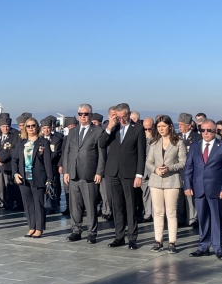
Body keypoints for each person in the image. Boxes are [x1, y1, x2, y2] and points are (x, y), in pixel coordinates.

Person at [184, 120, 222, 260]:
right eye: (202, 130)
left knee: (217, 219)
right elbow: (188, 167)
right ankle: (203, 246)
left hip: (216, 189)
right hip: (198, 188)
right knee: (203, 219)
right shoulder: (194, 146)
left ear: (215, 131)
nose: (205, 133)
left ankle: (219, 248)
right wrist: (187, 185)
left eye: (209, 130)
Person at [99, 102, 147, 249]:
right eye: (118, 117)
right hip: (113, 172)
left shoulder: (137, 129)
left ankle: (132, 238)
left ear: (129, 114)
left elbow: (141, 154)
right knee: (117, 206)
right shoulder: (113, 128)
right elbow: (101, 144)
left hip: (129, 173)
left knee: (131, 206)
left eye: (124, 116)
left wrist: (139, 175)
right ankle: (119, 236)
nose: (122, 119)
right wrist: (109, 128)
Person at [62, 104, 105, 244]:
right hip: (73, 173)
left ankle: (92, 232)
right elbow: (67, 152)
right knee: (75, 204)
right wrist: (66, 171)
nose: (83, 116)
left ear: (90, 115)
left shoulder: (98, 131)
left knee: (90, 205)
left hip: (89, 174)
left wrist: (99, 172)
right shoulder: (73, 132)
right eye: (80, 114)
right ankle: (76, 230)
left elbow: (102, 154)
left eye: (85, 114)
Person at [146, 115, 187, 253]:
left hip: (172, 180)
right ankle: (158, 241)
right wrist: (155, 169)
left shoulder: (178, 142)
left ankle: (172, 242)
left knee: (171, 212)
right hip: (156, 180)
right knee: (157, 212)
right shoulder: (154, 143)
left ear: (170, 126)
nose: (161, 129)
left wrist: (170, 168)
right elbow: (148, 162)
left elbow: (183, 162)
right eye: (158, 126)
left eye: (163, 126)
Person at [13, 117, 53, 237]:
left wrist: (50, 179)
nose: (31, 128)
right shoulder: (22, 143)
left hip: (38, 177)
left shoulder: (43, 142)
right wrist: (15, 173)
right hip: (23, 177)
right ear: (25, 128)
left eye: (33, 125)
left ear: (37, 127)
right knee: (28, 204)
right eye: (28, 126)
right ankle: (32, 226)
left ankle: (39, 228)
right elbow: (14, 159)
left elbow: (47, 162)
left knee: (38, 203)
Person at [177, 113, 201, 228]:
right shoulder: (176, 137)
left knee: (190, 195)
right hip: (178, 170)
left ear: (189, 125)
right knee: (179, 196)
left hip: (192, 170)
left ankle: (193, 218)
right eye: (179, 124)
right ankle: (180, 218)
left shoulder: (197, 137)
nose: (180, 126)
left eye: (182, 124)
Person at [0, 114, 18, 209]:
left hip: (7, 164)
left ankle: (10, 203)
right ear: (0, 127)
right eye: (3, 126)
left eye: (7, 126)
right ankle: (0, 202)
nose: (5, 128)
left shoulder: (14, 136)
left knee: (9, 185)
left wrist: (2, 159)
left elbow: (13, 150)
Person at [40, 116, 64, 212]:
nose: (46, 130)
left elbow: (55, 154)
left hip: (52, 165)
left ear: (51, 128)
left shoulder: (56, 139)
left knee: (54, 185)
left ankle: (54, 203)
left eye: (48, 128)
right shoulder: (39, 139)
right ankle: (44, 203)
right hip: (41, 167)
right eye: (44, 128)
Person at [140, 117, 154, 222]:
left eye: (150, 129)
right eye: (145, 129)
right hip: (144, 170)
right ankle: (147, 213)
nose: (147, 131)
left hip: (154, 171)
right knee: (145, 193)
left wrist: (150, 139)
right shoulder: (140, 138)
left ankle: (155, 214)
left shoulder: (157, 139)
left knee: (155, 194)